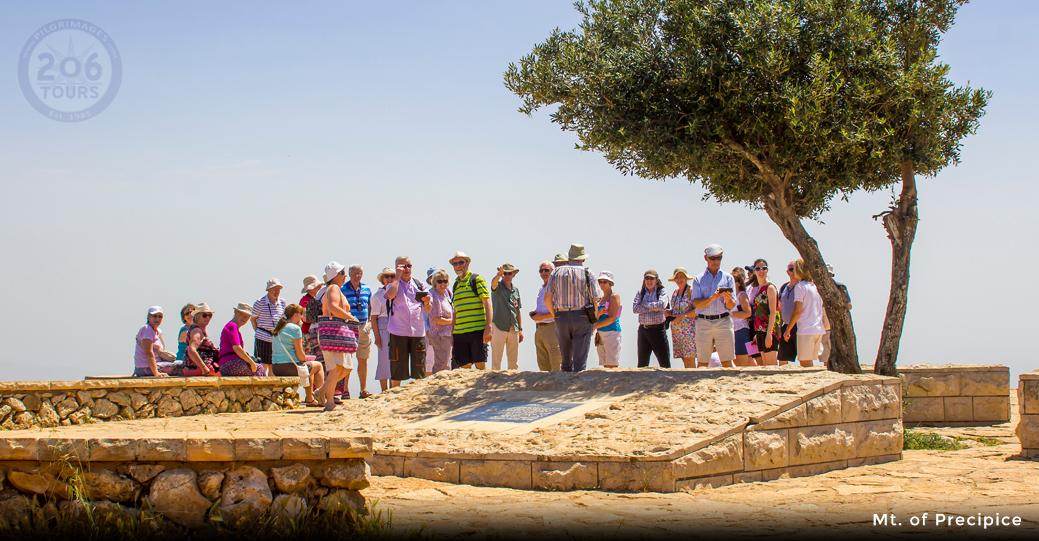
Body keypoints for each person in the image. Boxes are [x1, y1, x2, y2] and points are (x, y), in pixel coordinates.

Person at [544, 244, 602, 372]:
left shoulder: (556, 272)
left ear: (569, 257)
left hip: (561, 315)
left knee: (565, 358)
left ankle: (564, 383)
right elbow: (595, 300)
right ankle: (577, 386)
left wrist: (555, 315)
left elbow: (547, 298)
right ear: (583, 259)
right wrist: (594, 319)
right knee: (580, 359)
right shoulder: (588, 273)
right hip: (582, 315)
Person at [315, 262, 360, 410]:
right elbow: (334, 307)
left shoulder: (333, 288)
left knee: (345, 368)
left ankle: (321, 391)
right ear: (336, 275)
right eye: (343, 273)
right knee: (336, 368)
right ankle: (329, 402)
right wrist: (351, 317)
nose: (345, 276)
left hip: (336, 333)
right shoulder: (333, 288)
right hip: (334, 332)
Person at [385, 256, 431, 385]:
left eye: (408, 266)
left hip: (417, 332)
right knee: (397, 368)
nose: (406, 269)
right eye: (403, 266)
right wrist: (397, 277)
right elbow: (390, 295)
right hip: (398, 331)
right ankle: (394, 396)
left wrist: (427, 303)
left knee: (419, 369)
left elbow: (428, 309)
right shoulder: (392, 284)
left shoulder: (420, 285)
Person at [691, 245, 737, 368]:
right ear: (706, 258)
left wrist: (728, 299)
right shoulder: (698, 279)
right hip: (703, 322)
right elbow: (697, 303)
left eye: (719, 258)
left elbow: (732, 305)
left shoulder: (728, 278)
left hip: (723, 320)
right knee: (702, 362)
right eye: (713, 258)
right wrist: (713, 298)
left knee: (727, 361)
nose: (716, 261)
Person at [271, 304, 325, 406]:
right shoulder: (295, 329)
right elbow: (299, 354)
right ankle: (322, 398)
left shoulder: (280, 327)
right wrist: (305, 358)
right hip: (290, 367)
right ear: (295, 315)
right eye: (301, 315)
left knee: (308, 367)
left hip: (276, 367)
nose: (302, 317)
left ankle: (310, 398)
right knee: (317, 366)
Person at [449, 251, 492, 370]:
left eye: (461, 262)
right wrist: (452, 334)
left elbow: (488, 304)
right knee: (464, 366)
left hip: (477, 330)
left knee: (480, 364)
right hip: (459, 333)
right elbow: (455, 311)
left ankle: (483, 388)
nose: (458, 265)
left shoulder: (476, 279)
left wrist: (488, 328)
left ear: (467, 263)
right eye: (455, 263)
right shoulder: (455, 285)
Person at [784, 259, 826, 367]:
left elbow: (797, 311)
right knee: (810, 361)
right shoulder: (816, 287)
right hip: (818, 328)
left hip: (806, 329)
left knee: (805, 362)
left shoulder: (800, 287)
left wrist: (788, 329)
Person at [341, 264, 374, 399]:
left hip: (363, 326)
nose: (357, 276)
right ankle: (345, 389)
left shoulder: (366, 288)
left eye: (359, 273)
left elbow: (371, 306)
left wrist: (370, 322)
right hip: (348, 326)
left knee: (363, 358)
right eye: (354, 273)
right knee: (346, 359)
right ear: (349, 274)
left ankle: (363, 389)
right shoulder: (342, 289)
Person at [633, 270, 671, 368]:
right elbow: (635, 308)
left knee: (664, 362)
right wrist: (653, 308)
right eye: (647, 278)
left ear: (656, 280)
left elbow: (662, 305)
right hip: (643, 330)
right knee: (642, 363)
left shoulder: (662, 291)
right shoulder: (641, 292)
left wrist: (645, 305)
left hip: (657, 330)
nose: (649, 281)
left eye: (651, 278)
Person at [530, 260, 562, 371]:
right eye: (541, 270)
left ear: (552, 271)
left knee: (555, 359)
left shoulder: (556, 287)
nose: (543, 272)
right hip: (540, 328)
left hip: (551, 326)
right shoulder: (542, 288)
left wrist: (541, 317)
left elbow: (558, 311)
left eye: (546, 270)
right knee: (542, 361)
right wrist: (536, 314)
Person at [490, 263, 523, 370]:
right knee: (496, 360)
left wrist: (520, 329)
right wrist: (498, 276)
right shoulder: (498, 287)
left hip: (513, 328)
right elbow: (493, 284)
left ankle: (512, 383)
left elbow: (517, 311)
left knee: (513, 361)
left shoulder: (516, 290)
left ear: (513, 275)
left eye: (510, 273)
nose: (507, 276)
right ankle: (494, 381)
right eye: (505, 273)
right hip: (499, 327)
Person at [819, 264, 853, 368]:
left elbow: (849, 305)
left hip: (835, 324)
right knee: (825, 351)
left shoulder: (840, 287)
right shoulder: (817, 287)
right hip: (823, 324)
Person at [252, 278, 287, 376]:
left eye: (278, 288)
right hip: (263, 337)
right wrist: (258, 332)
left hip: (276, 338)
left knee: (274, 365)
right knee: (262, 365)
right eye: (274, 288)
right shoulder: (260, 302)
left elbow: (284, 318)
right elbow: (253, 319)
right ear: (268, 290)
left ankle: (271, 389)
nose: (277, 291)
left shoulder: (282, 302)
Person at [134, 306, 181, 377]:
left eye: (160, 316)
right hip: (145, 368)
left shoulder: (158, 331)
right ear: (149, 318)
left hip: (154, 365)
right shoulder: (146, 329)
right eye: (154, 316)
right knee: (181, 366)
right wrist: (156, 373)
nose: (157, 319)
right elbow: (149, 353)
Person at [219, 303, 264, 376]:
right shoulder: (232, 325)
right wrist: (251, 363)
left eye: (247, 317)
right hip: (229, 363)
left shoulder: (233, 327)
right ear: (236, 312)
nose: (245, 318)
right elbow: (237, 348)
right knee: (259, 368)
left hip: (227, 364)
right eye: (243, 315)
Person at [751, 259, 781, 365]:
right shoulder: (759, 289)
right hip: (760, 330)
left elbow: (773, 312)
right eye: (758, 269)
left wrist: (769, 334)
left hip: (769, 330)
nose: (761, 271)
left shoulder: (770, 288)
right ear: (754, 271)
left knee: (771, 364)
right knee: (765, 364)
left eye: (764, 268)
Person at [369, 267, 395, 391]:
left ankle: (394, 388)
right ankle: (384, 390)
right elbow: (373, 318)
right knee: (384, 359)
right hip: (383, 326)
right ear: (383, 279)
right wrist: (377, 337)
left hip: (397, 326)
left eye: (392, 276)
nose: (389, 279)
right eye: (387, 276)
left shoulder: (398, 292)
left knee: (395, 358)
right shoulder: (377, 296)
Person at [667, 267, 699, 368]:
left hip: (689, 330)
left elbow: (698, 310)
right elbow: (676, 309)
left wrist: (683, 316)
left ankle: (692, 378)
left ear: (686, 278)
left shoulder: (691, 291)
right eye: (677, 277)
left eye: (682, 277)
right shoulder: (675, 293)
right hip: (677, 330)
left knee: (690, 357)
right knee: (683, 358)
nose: (679, 279)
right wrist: (669, 313)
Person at [592, 271, 622, 368]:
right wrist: (598, 314)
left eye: (605, 282)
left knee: (612, 364)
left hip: (612, 332)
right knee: (605, 364)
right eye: (600, 282)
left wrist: (595, 326)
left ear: (610, 283)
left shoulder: (614, 296)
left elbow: (612, 318)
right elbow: (594, 318)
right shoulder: (600, 298)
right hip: (601, 333)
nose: (602, 284)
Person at [427, 269, 454, 374]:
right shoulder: (434, 296)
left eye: (445, 281)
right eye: (439, 281)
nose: (443, 283)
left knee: (445, 363)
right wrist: (453, 322)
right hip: (440, 335)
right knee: (441, 364)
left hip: (447, 334)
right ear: (434, 283)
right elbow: (437, 319)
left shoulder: (445, 296)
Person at [183, 303, 219, 377]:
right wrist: (203, 367)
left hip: (197, 367)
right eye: (204, 315)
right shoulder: (197, 331)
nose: (208, 318)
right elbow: (191, 350)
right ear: (197, 317)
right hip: (196, 368)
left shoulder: (200, 330)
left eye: (210, 315)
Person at [730, 269, 755, 367]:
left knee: (744, 359)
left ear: (739, 283)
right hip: (732, 329)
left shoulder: (742, 295)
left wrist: (732, 314)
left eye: (734, 280)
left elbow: (748, 313)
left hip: (741, 329)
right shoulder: (730, 296)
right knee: (735, 360)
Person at [777, 261, 799, 365]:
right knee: (782, 358)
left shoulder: (802, 287)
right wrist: (779, 327)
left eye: (796, 269)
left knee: (803, 357)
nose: (794, 271)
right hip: (785, 326)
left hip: (799, 325)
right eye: (791, 269)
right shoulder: (784, 287)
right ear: (787, 272)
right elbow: (780, 309)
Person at [298, 275, 323, 355]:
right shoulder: (305, 300)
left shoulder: (316, 299)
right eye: (317, 286)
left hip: (315, 332)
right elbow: (304, 317)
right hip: (308, 333)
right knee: (311, 357)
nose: (319, 288)